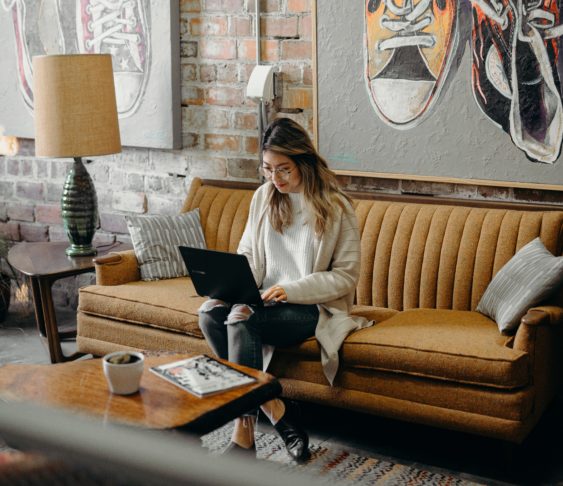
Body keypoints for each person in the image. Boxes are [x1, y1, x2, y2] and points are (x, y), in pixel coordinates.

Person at [198, 118, 372, 462]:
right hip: (263, 298)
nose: (275, 179)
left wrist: (289, 290)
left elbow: (345, 276)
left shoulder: (336, 206)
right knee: (211, 312)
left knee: (241, 318)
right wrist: (232, 285)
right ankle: (277, 408)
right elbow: (248, 253)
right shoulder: (264, 197)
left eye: (284, 170)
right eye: (267, 169)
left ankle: (243, 434)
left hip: (311, 307)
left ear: (303, 162)